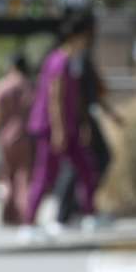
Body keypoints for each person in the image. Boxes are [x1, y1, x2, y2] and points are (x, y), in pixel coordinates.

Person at [21, 13, 100, 238]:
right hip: (53, 128)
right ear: (76, 36)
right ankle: (28, 225)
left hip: (69, 127)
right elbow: (54, 97)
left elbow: (75, 98)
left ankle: (90, 215)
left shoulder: (71, 60)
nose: (87, 41)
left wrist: (80, 124)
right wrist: (58, 130)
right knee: (45, 174)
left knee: (86, 168)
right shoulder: (59, 60)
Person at [56, 24, 125, 228]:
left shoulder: (81, 58)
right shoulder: (70, 60)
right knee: (77, 166)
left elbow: (95, 93)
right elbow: (76, 97)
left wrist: (111, 115)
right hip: (80, 120)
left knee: (88, 164)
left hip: (84, 119)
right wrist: (83, 125)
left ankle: (79, 209)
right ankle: (68, 212)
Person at [0, 54, 35, 226]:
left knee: (7, 176)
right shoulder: (29, 86)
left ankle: (8, 214)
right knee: (24, 176)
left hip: (6, 136)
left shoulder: (2, 86)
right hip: (25, 135)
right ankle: (24, 213)